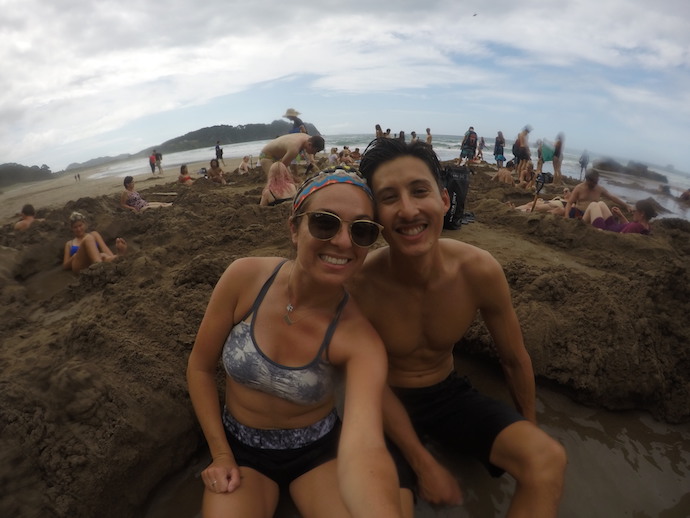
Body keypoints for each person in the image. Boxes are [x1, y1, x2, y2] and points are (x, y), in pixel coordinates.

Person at [355, 138, 566, 515]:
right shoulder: (359, 284)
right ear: (375, 215)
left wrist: (529, 425)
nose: (408, 210)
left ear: (445, 200)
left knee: (546, 459)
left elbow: (515, 359)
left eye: (420, 191)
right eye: (388, 198)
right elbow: (360, 382)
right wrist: (422, 462)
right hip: (382, 402)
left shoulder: (478, 270)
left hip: (448, 395)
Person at [186, 168, 408, 518]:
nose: (343, 242)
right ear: (294, 228)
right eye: (324, 223)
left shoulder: (358, 337)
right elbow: (199, 368)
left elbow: (365, 443)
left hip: (317, 454)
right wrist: (221, 454)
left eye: (362, 230)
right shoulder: (244, 279)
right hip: (239, 451)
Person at [62, 211, 127, 273]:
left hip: (94, 261)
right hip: (79, 264)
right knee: (88, 238)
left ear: (85, 224)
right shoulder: (69, 244)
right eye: (75, 227)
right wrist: (74, 256)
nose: (78, 229)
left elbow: (104, 249)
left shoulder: (94, 234)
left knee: (103, 255)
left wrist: (114, 257)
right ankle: (99, 268)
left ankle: (118, 257)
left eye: (80, 225)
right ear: (72, 229)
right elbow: (65, 266)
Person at [564, 170, 631, 219]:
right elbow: (569, 203)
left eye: (596, 182)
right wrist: (567, 216)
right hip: (579, 213)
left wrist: (626, 205)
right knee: (561, 211)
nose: (595, 184)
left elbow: (611, 197)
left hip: (593, 214)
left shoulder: (599, 189)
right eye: (593, 182)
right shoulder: (579, 188)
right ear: (587, 180)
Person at [258, 133, 325, 178]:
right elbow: (282, 168)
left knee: (288, 179)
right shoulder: (294, 148)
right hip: (266, 156)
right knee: (275, 179)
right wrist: (293, 178)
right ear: (310, 145)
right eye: (315, 151)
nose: (314, 154)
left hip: (278, 156)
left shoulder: (307, 138)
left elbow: (309, 158)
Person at [583, 199, 656, 234]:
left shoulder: (636, 226)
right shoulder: (646, 226)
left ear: (642, 213)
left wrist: (601, 231)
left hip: (606, 231)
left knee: (593, 205)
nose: (632, 213)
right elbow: (629, 228)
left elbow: (620, 237)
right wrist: (621, 216)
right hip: (613, 226)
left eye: (635, 210)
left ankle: (578, 227)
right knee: (601, 203)